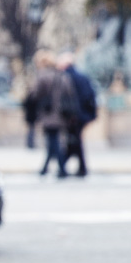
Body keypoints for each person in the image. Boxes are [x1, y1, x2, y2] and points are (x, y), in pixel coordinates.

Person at [33, 49, 77, 178]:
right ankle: (46, 167)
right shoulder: (63, 75)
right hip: (61, 114)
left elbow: (35, 93)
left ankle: (61, 168)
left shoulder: (43, 76)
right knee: (54, 140)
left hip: (48, 113)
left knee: (53, 141)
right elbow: (70, 93)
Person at [58, 52, 97, 177]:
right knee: (76, 140)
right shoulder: (82, 76)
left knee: (74, 141)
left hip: (73, 115)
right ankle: (81, 167)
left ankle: (65, 166)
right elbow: (89, 95)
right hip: (83, 114)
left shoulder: (66, 77)